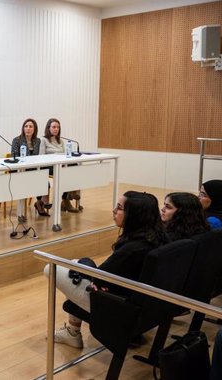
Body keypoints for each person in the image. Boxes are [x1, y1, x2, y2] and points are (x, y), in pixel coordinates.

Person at [46, 191, 168, 348]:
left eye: (119, 208)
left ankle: (72, 333)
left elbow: (99, 277)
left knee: (51, 268)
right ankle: (71, 332)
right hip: (146, 307)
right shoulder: (159, 238)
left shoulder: (132, 249)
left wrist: (85, 264)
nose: (113, 211)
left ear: (135, 215)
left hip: (118, 307)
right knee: (76, 266)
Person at [38, 118, 80, 214]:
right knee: (66, 173)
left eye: (58, 127)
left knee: (74, 165)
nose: (56, 129)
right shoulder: (43, 140)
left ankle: (70, 194)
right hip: (48, 166)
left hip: (60, 165)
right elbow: (41, 157)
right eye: (54, 127)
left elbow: (65, 155)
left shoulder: (61, 141)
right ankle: (67, 198)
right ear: (48, 128)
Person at [10, 118, 44, 214]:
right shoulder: (16, 140)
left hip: (32, 169)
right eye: (26, 126)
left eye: (30, 126)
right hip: (19, 171)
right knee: (26, 182)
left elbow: (37, 156)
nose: (28, 128)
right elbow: (14, 156)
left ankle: (39, 202)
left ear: (34, 129)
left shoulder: (37, 141)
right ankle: (21, 213)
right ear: (23, 128)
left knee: (44, 182)